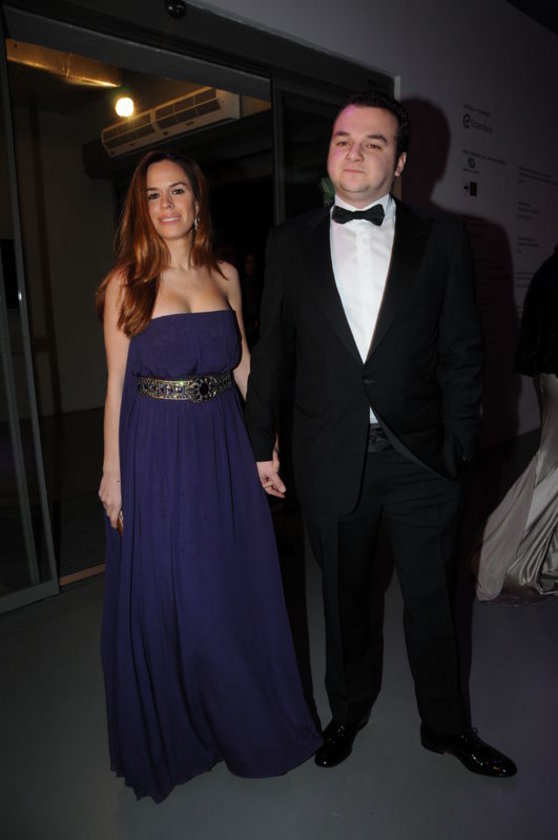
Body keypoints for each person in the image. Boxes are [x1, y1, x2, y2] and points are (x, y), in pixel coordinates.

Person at [245, 90, 516, 777]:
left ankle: (447, 726)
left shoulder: (442, 240)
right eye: (343, 140)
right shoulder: (288, 242)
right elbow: (271, 353)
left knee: (434, 602)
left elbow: (464, 351)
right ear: (328, 152)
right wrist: (258, 443)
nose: (354, 153)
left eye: (373, 142)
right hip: (328, 455)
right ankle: (347, 712)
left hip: (423, 458)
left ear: (399, 161)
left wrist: (461, 443)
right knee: (343, 602)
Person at [96, 150, 321, 802]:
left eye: (177, 191)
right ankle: (182, 731)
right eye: (153, 195)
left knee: (229, 585)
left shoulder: (225, 274)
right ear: (141, 209)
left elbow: (243, 362)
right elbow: (116, 385)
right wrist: (112, 474)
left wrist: (265, 445)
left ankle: (242, 720)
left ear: (197, 201)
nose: (166, 205)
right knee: (175, 593)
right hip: (156, 449)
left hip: (222, 440)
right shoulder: (127, 282)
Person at [474, 245, 558, 601]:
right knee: (552, 469)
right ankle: (503, 559)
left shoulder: (549, 269)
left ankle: (546, 560)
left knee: (551, 464)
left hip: (549, 375)